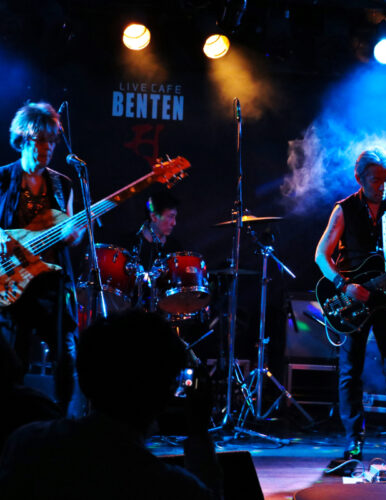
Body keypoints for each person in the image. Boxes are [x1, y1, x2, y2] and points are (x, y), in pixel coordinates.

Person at [0, 309, 222, 499]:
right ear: (167, 390)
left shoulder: (26, 443)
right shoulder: (173, 488)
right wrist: (199, 434)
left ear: (84, 379)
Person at [315, 146, 386, 464]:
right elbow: (321, 255)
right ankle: (354, 445)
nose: (383, 186)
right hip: (353, 302)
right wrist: (345, 286)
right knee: (351, 373)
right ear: (359, 178)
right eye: (376, 180)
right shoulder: (344, 209)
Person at [0, 101, 83, 415]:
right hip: (10, 281)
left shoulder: (63, 184)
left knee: (66, 353)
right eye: (41, 140)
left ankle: (62, 418)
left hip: (50, 284)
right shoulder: (3, 179)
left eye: (52, 141)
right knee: (13, 356)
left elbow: (70, 230)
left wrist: (73, 235)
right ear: (23, 139)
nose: (48, 148)